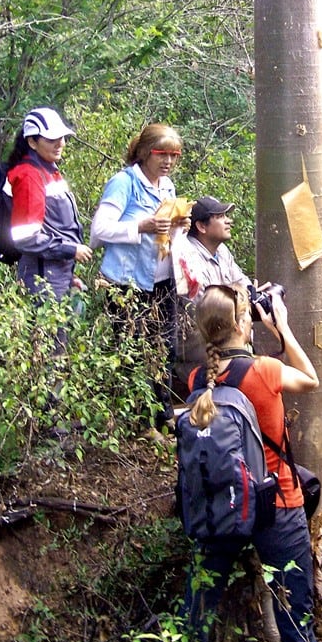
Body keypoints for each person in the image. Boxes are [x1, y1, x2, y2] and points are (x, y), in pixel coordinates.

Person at [182, 283, 322, 642]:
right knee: (296, 620)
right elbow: (312, 379)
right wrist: (283, 328)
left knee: (198, 615)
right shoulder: (265, 370)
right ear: (243, 323)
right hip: (277, 504)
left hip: (222, 505)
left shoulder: (197, 380)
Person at [89, 123, 187, 426]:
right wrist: (140, 227)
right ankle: (138, 422)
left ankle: (163, 415)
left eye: (174, 155)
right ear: (145, 153)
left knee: (165, 349)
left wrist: (178, 226)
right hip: (127, 285)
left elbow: (168, 231)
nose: (168, 161)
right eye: (162, 154)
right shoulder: (124, 183)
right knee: (132, 353)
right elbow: (98, 232)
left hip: (162, 281)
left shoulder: (166, 185)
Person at [7, 107, 92, 303]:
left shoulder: (47, 170)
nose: (60, 143)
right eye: (51, 139)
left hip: (56, 274)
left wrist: (69, 275)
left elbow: (55, 226)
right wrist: (71, 250)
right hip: (42, 280)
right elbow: (26, 238)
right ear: (32, 142)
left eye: (61, 137)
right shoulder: (29, 176)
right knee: (48, 334)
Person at [174, 196, 250, 383]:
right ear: (201, 227)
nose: (228, 220)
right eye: (220, 216)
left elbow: (244, 285)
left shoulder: (221, 251)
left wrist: (242, 293)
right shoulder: (188, 256)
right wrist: (239, 295)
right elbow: (211, 305)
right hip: (199, 340)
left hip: (223, 330)